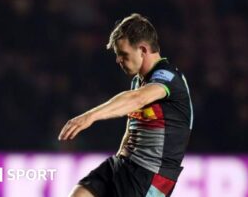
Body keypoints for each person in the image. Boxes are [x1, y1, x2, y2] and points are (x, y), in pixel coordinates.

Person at [58, 13, 193, 197]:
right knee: (80, 194)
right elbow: (133, 126)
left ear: (143, 50)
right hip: (122, 164)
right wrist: (120, 156)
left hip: (150, 175)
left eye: (123, 54)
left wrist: (90, 116)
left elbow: (137, 99)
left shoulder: (168, 78)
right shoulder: (138, 81)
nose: (118, 60)